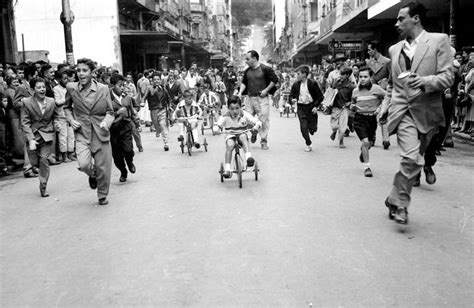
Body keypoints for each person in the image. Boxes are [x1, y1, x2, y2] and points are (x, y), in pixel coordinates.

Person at [380, 2, 454, 225]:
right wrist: (386, 106)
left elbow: (448, 77)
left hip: (428, 113)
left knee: (415, 162)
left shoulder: (439, 41)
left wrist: (424, 82)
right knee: (411, 158)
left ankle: (393, 197)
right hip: (403, 112)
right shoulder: (394, 49)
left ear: (416, 19)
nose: (397, 23)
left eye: (401, 18)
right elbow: (393, 84)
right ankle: (402, 204)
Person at [64, 58, 115, 206]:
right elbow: (67, 107)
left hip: (100, 132)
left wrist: (106, 121)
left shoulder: (103, 89)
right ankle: (93, 176)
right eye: (78, 70)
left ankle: (102, 195)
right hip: (82, 132)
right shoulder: (71, 88)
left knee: (103, 168)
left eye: (85, 70)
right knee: (84, 164)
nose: (81, 74)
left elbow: (110, 112)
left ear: (92, 73)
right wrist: (71, 120)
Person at [21, 77, 62, 197]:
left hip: (47, 135)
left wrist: (57, 124)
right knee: (34, 162)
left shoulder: (51, 101)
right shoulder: (26, 102)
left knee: (44, 160)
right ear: (33, 89)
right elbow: (25, 122)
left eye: (43, 87)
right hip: (33, 135)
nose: (42, 89)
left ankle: (43, 186)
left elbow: (56, 116)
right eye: (38, 87)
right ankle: (36, 168)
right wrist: (31, 139)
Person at [213, 95, 262, 178]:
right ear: (228, 108)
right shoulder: (225, 116)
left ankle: (248, 158)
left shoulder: (244, 114)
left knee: (243, 137)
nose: (234, 111)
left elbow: (256, 121)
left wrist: (257, 125)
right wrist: (216, 128)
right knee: (230, 145)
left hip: (242, 133)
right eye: (231, 109)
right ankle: (227, 169)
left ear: (240, 107)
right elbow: (218, 124)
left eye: (237, 108)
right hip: (230, 135)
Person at [238, 50, 278, 150]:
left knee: (263, 119)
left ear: (255, 58)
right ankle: (253, 131)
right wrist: (239, 93)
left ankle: (264, 141)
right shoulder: (247, 71)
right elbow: (244, 83)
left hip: (262, 99)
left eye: (248, 59)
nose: (246, 61)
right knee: (247, 118)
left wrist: (266, 90)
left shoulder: (265, 69)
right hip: (249, 98)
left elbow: (275, 80)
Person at [350, 67, 386, 177]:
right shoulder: (355, 91)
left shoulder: (377, 89)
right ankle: (367, 167)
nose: (362, 79)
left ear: (371, 78)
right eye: (360, 77)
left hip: (372, 120)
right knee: (365, 142)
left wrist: (380, 108)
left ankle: (364, 151)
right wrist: (352, 107)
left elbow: (388, 98)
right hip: (359, 119)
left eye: (365, 77)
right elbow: (352, 103)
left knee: (369, 143)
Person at [109, 74, 139, 183]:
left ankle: (130, 162)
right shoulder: (107, 97)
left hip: (126, 126)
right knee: (116, 155)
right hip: (113, 129)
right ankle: (123, 171)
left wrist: (134, 112)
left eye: (123, 85)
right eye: (119, 85)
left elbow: (136, 106)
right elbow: (103, 112)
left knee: (128, 150)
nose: (122, 88)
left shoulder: (127, 97)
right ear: (112, 86)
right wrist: (117, 112)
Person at [289, 66, 324, 152]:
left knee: (313, 128)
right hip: (301, 107)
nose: (297, 75)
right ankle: (308, 143)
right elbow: (291, 95)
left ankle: (312, 129)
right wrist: (292, 100)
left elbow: (320, 97)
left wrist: (316, 106)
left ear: (304, 74)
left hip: (311, 107)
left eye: (298, 74)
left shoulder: (313, 83)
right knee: (303, 127)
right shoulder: (296, 85)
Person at [367, 40, 391, 149]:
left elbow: (392, 77)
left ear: (374, 50)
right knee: (371, 116)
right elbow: (367, 76)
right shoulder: (369, 63)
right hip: (372, 91)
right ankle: (372, 137)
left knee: (383, 114)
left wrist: (386, 82)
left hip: (384, 91)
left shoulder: (387, 62)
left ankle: (386, 139)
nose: (368, 52)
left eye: (369, 49)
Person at [142, 72, 171, 151]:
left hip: (163, 109)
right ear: (152, 80)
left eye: (158, 79)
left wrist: (170, 106)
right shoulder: (149, 88)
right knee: (156, 125)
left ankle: (166, 143)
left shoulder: (163, 88)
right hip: (154, 110)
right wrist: (142, 102)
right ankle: (157, 130)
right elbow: (144, 96)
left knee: (163, 125)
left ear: (160, 80)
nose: (156, 81)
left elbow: (168, 98)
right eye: (154, 79)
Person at [329, 67, 355, 148]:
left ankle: (341, 142)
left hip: (344, 108)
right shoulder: (336, 83)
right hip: (335, 106)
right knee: (334, 125)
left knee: (343, 127)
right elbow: (331, 91)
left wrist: (350, 103)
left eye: (342, 74)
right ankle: (334, 131)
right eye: (340, 74)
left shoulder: (351, 86)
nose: (340, 76)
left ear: (347, 75)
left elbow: (354, 98)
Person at [53, 69, 76, 163]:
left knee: (71, 136)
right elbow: (57, 102)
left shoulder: (69, 88)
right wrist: (67, 100)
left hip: (70, 115)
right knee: (63, 137)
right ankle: (64, 155)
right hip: (60, 116)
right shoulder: (56, 89)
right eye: (64, 78)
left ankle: (71, 153)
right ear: (59, 80)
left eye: (67, 78)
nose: (66, 80)